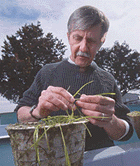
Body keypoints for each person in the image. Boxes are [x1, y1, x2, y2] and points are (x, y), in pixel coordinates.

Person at [15, 5, 133, 151]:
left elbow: (127, 132)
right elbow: (20, 114)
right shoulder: (47, 72)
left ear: (101, 43)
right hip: (55, 158)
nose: (83, 47)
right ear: (68, 37)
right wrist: (37, 111)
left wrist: (110, 121)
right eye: (77, 38)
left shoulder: (107, 79)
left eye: (91, 41)